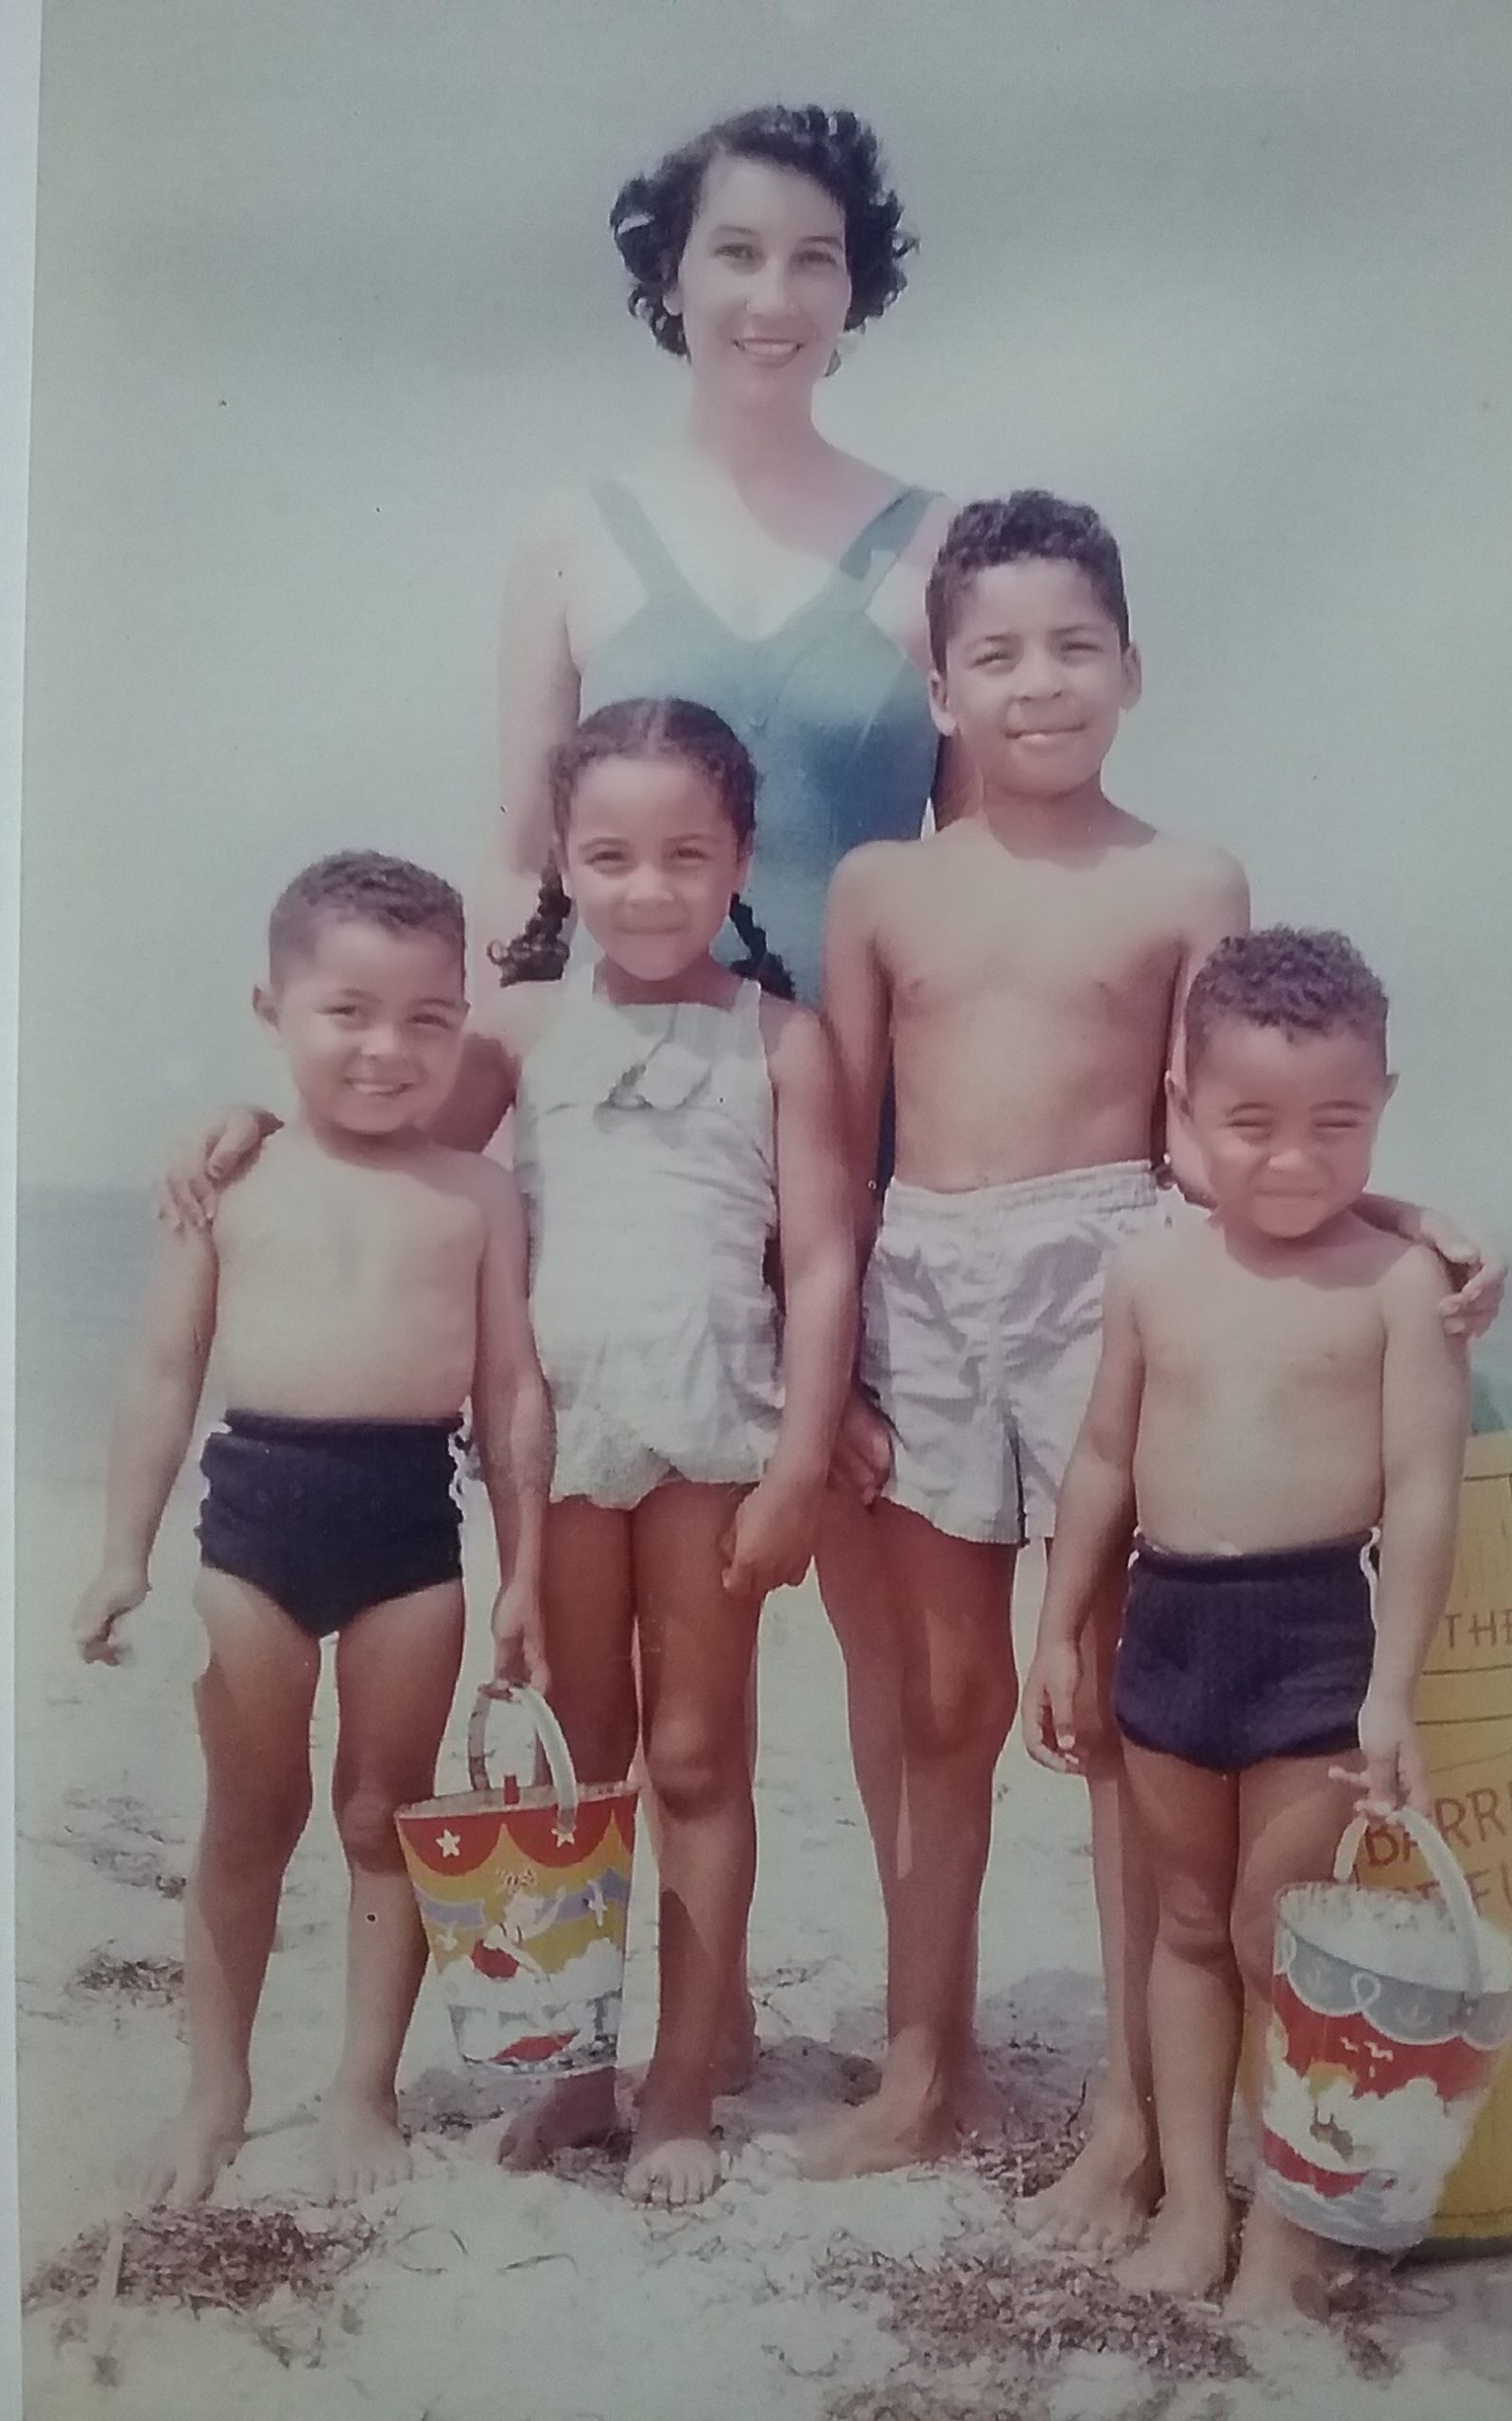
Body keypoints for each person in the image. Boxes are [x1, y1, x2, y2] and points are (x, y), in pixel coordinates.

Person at [808, 493, 1492, 2190]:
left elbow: (1223, 1136)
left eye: (1074, 646)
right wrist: (822, 1373)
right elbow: (831, 1135)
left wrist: (1394, 1217)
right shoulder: (882, 883)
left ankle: (1129, 2110)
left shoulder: (1189, 877)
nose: (1039, 683)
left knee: (1117, 1707)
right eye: (997, 654)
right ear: (942, 687)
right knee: (947, 1696)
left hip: (1111, 1264)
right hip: (925, 1283)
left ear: (1132, 666)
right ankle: (922, 2066)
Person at [158, 702, 856, 2203]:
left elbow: (824, 1261)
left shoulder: (785, 1038)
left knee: (694, 1754)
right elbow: (382, 1143)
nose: (649, 887)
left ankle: (680, 2089)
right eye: (609, 855)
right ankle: (579, 2074)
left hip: (712, 1428)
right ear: (561, 861)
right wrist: (236, 1124)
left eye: (687, 854)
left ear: (742, 857)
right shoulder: (522, 1028)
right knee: (586, 1763)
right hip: (563, 1439)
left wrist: (804, 1455)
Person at [478, 99, 972, 2107]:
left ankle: (924, 2042)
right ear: (666, 278)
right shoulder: (573, 534)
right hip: (641, 1152)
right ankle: (679, 2022)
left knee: (899, 1640)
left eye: (815, 259)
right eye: (735, 253)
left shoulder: (938, 543)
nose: (773, 294)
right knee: (631, 1649)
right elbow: (515, 867)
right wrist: (340, 1114)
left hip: (873, 1131)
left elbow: (985, 867)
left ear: (856, 294)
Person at [71, 854, 551, 2209]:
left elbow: (513, 1392)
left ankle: (362, 2090)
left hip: (412, 1526)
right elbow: (163, 1374)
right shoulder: (228, 1182)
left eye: (427, 1017)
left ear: (464, 1018)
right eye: (348, 1011)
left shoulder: (478, 1194)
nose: (387, 1050)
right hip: (255, 1527)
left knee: (385, 1818)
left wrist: (527, 1575)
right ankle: (214, 2093)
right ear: (272, 1006)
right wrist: (123, 1551)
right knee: (251, 1816)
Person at [1023, 927, 1470, 2321]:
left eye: (1336, 1125)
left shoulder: (1401, 1287)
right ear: (1185, 1109)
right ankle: (1193, 2202)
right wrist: (1058, 1629)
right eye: (1251, 1124)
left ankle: (1289, 2220)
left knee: (1285, 1936)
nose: (1292, 1159)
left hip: (1310, 1639)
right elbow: (1101, 1461)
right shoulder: (1149, 1274)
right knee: (1188, 1919)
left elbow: (1424, 1495)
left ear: (1384, 1105)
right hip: (1169, 1623)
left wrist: (1391, 1694)